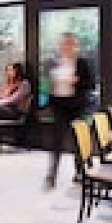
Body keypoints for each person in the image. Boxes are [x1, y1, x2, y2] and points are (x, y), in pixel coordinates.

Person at [45, 32, 94, 189]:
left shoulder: (82, 63)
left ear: (75, 46)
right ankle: (51, 175)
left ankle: (80, 171)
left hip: (76, 106)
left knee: (78, 140)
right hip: (60, 106)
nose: (66, 47)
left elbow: (91, 83)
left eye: (69, 44)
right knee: (57, 141)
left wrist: (76, 81)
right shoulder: (55, 62)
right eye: (64, 44)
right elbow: (49, 83)